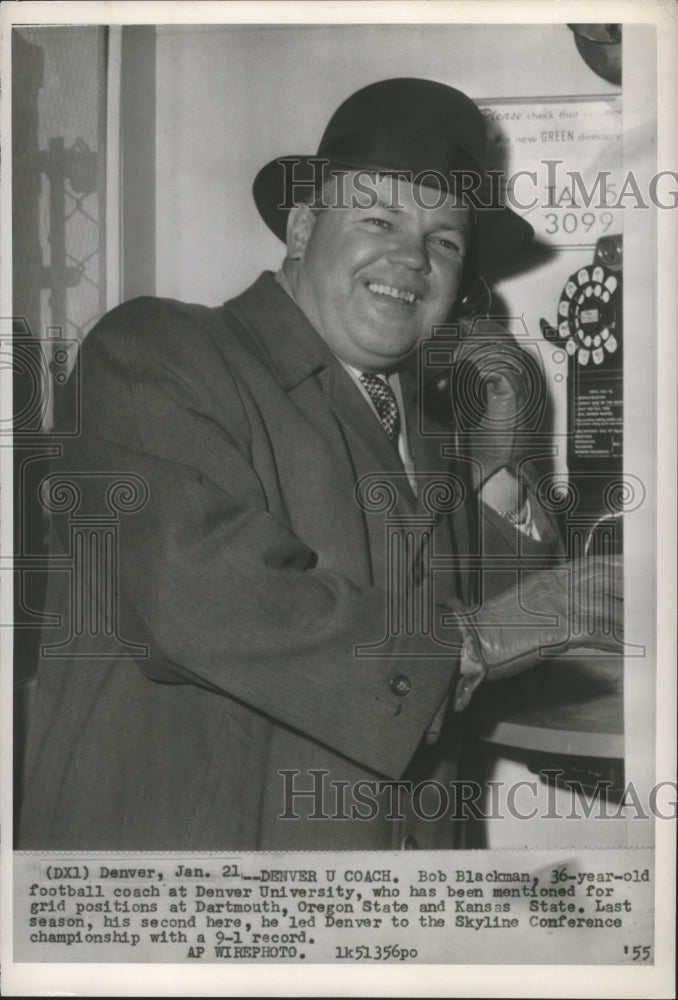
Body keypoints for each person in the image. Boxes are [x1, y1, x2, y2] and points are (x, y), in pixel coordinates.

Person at [18, 78, 622, 851]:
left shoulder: (430, 434)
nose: (413, 257)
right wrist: (482, 640)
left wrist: (499, 465)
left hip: (393, 915)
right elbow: (200, 602)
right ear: (302, 226)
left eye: (445, 241)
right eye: (379, 218)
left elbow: (492, 652)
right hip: (199, 916)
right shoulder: (154, 353)